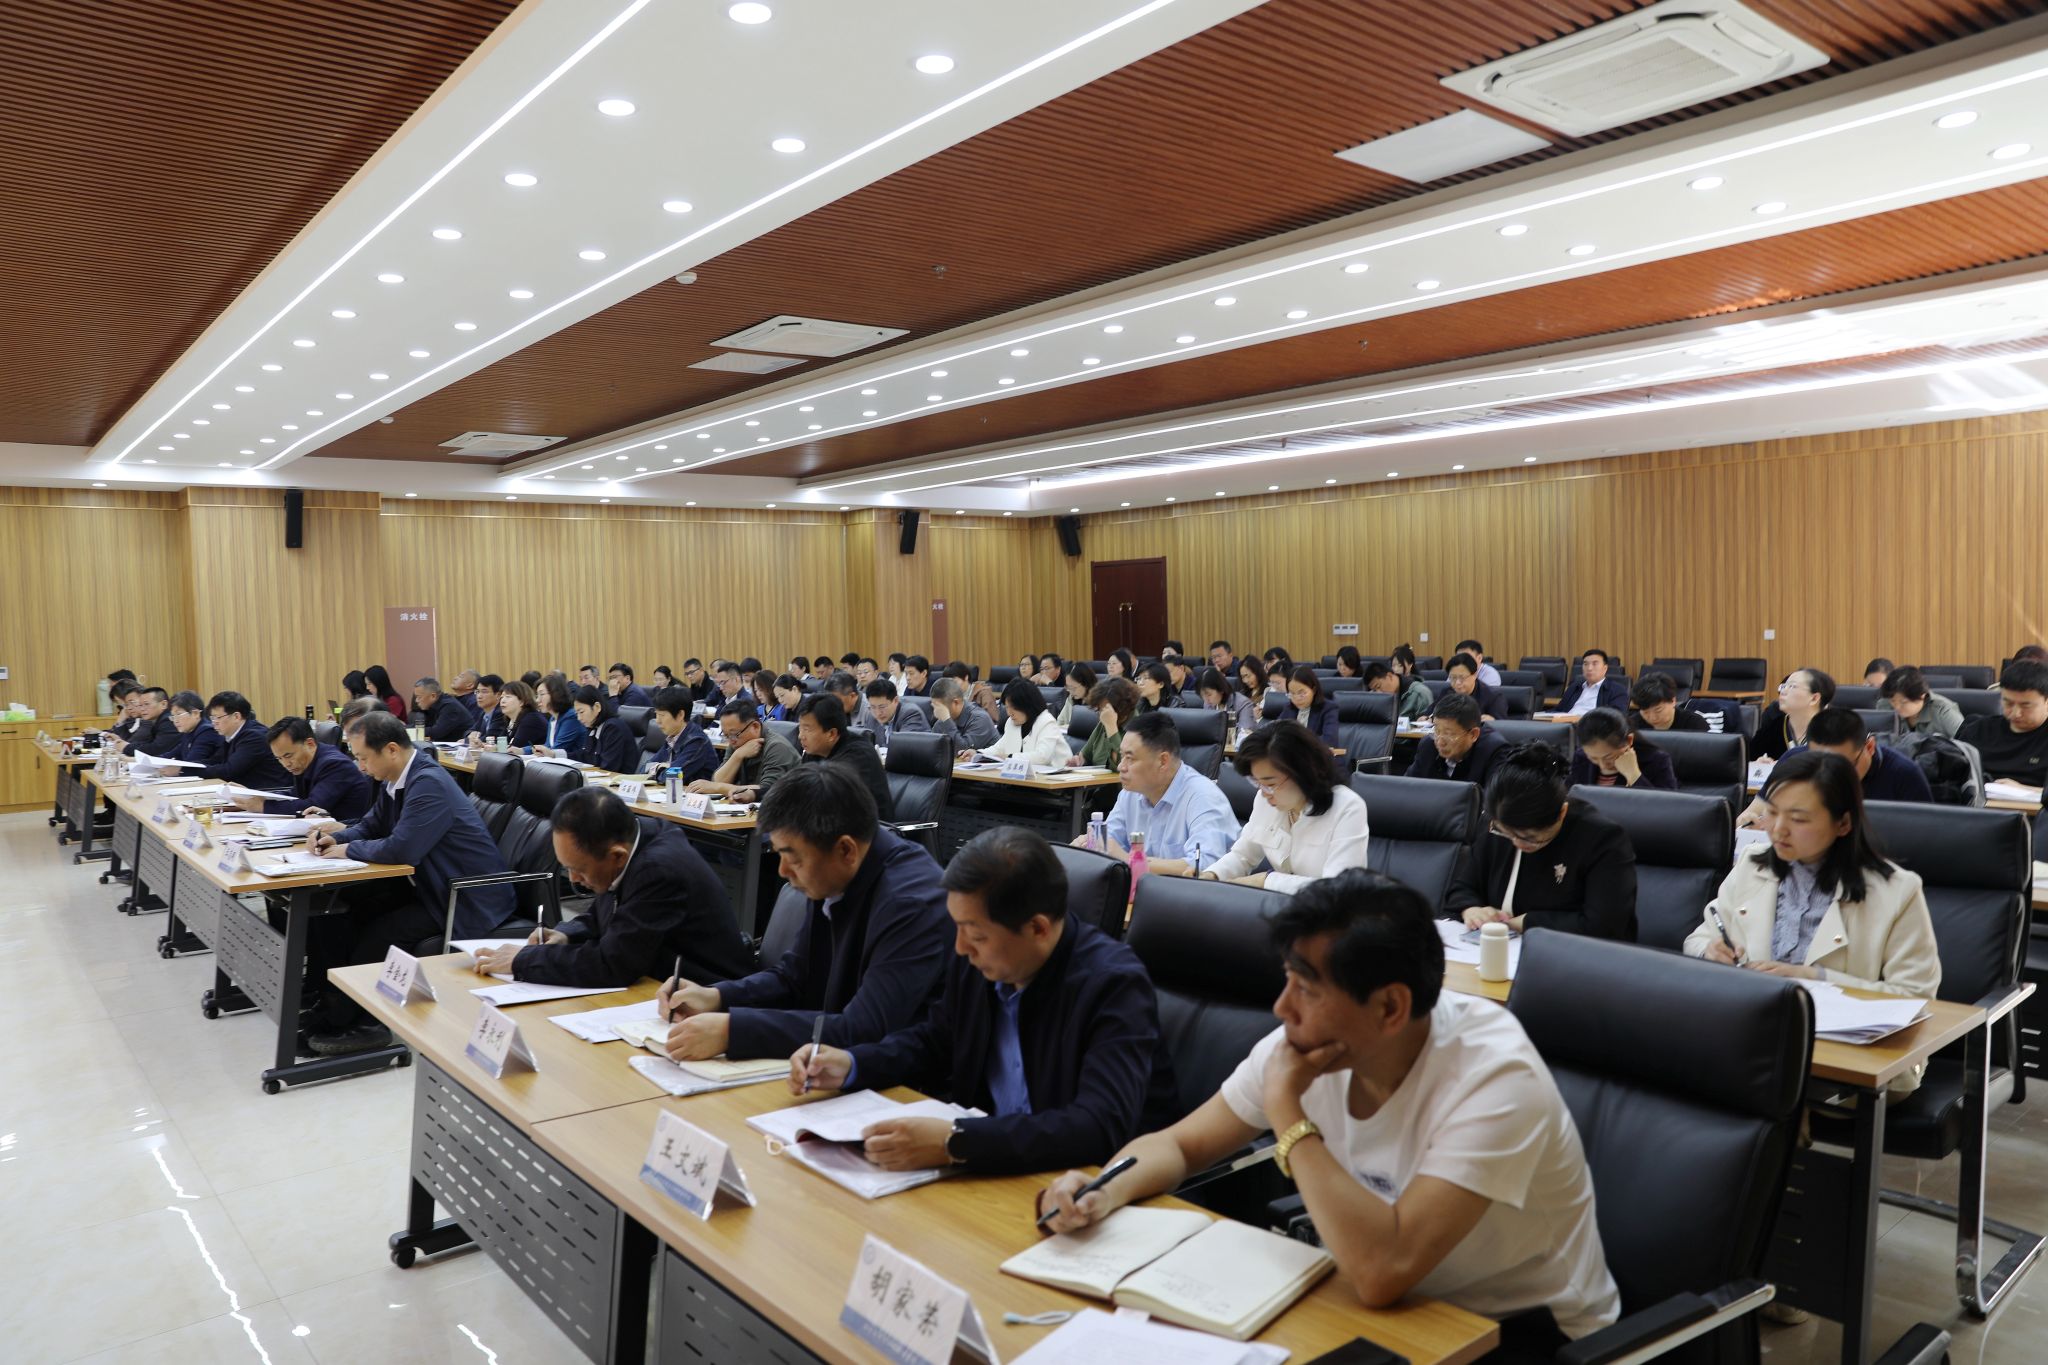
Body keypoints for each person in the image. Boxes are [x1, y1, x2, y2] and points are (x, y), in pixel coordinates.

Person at [1036, 870, 1620, 1352]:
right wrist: (1103, 1189)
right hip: (1373, 1305)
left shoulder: (1494, 1077)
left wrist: (1287, 1113)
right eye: (1287, 980)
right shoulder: (1312, 1044)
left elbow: (1383, 1272)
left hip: (1524, 1335)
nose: (1281, 1007)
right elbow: (1180, 1144)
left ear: (1390, 1008)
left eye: (1307, 989)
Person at [795, 827, 1177, 1174]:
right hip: (994, 1167)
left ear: (1038, 928)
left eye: (975, 935)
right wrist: (853, 1063)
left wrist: (955, 1141)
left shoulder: (1113, 985)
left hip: (1087, 1187)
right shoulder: (980, 960)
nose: (961, 947)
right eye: (958, 928)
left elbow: (1097, 1127)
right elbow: (935, 1041)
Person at [658, 763, 950, 1060]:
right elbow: (794, 976)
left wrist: (734, 1031)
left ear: (845, 850)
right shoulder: (834, 869)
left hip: (905, 1078)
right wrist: (716, 996)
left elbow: (864, 1028)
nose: (783, 871)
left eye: (793, 859)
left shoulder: (911, 904)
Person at [1684, 751, 1940, 1087]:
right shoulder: (1752, 863)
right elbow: (1699, 938)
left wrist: (1813, 978)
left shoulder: (1896, 891)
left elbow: (1914, 997)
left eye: (1798, 819)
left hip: (1850, 1060)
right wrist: (1710, 951)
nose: (1778, 829)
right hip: (1754, 1039)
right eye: (1771, 813)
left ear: (1843, 823)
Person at [303, 711, 517, 1055]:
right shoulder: (396, 779)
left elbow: (403, 848)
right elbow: (372, 824)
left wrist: (347, 849)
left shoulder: (428, 783)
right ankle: (334, 1008)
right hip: (428, 886)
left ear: (391, 750)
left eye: (363, 758)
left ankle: (368, 1026)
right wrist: (337, 838)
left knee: (379, 934)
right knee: (344, 911)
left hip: (464, 896)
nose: (360, 767)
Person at [469, 787, 751, 988]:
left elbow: (613, 965)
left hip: (705, 995)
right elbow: (607, 912)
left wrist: (524, 960)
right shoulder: (633, 840)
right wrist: (567, 934)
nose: (573, 879)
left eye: (579, 869)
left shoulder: (658, 871)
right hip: (657, 983)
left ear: (617, 856)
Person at [1449, 745, 1637, 941]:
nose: (1516, 843)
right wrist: (1471, 909)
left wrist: (1525, 922)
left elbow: (1604, 925)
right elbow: (1462, 887)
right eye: (1507, 833)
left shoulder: (1602, 839)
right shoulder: (1499, 823)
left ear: (1562, 813)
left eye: (1529, 837)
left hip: (1570, 951)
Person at [1203, 724, 1370, 892]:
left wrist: (1267, 881)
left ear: (1303, 772)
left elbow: (1339, 889)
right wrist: (1212, 875)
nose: (1264, 793)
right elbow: (1243, 855)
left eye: (1270, 784)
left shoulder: (1347, 807)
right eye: (1256, 782)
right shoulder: (1265, 800)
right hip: (1279, 905)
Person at [1084, 711, 1240, 876]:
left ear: (1163, 761)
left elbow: (1203, 866)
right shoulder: (1131, 792)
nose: (1121, 767)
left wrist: (1129, 860)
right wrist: (1091, 843)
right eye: (1122, 757)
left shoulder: (1203, 797)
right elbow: (1109, 841)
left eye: (1130, 758)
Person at [235, 716, 374, 822]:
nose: (286, 764)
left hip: (345, 834)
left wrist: (263, 806)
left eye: (288, 756)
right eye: (279, 759)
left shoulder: (335, 765)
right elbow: (297, 794)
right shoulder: (304, 762)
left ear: (310, 744)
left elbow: (312, 805)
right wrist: (255, 796)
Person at [795, 693, 894, 818]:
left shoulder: (859, 755)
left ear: (831, 734)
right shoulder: (814, 751)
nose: (800, 736)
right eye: (800, 728)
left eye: (807, 729)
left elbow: (828, 799)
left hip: (868, 827)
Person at [1806, 707, 1933, 803]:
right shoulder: (1799, 763)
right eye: (1820, 764)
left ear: (1869, 747)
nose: (1832, 776)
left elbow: (1923, 828)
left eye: (1843, 766)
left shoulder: (1905, 775)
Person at [1958, 659, 2048, 789]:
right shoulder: (1978, 730)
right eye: (2008, 703)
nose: (2016, 713)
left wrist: (2023, 789)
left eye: (2026, 705)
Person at [701, 698, 802, 802]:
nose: (730, 741)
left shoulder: (777, 747)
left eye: (734, 734)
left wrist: (719, 788)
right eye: (726, 735)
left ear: (755, 726)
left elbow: (767, 790)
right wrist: (737, 756)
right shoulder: (736, 742)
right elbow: (718, 781)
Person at [198, 691, 295, 791]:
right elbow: (215, 760)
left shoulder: (254, 736)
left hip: (271, 792)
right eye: (212, 718)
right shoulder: (232, 735)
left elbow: (228, 771)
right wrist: (189, 766)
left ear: (236, 717)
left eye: (217, 718)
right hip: (248, 792)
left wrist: (193, 771)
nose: (214, 723)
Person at [1404, 694, 1505, 786]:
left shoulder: (1493, 752)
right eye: (1437, 731)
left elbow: (1494, 798)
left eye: (1449, 734)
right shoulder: (1428, 745)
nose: (1440, 742)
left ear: (1473, 734)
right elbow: (1407, 787)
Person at [1568, 708, 1677, 791]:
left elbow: (1668, 808)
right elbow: (1569, 796)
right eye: (1594, 758)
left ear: (1629, 740)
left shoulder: (1657, 761)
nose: (1602, 765)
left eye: (1608, 757)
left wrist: (1634, 775)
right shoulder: (1581, 757)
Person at [985, 677, 1071, 767]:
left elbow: (1042, 756)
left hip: (1060, 773)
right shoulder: (1011, 722)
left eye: (1014, 707)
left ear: (1028, 705)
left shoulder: (1047, 722)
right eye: (1007, 707)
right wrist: (979, 754)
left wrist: (1009, 757)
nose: (1009, 713)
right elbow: (999, 748)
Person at [1752, 668, 1835, 760]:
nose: (1783, 692)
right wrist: (1759, 762)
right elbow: (1749, 758)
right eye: (1783, 686)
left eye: (1792, 686)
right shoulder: (1774, 726)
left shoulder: (1834, 731)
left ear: (1814, 698)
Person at [643, 686, 718, 782]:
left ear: (680, 715)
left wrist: (659, 768)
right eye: (656, 714)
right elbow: (644, 769)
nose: (657, 721)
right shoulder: (673, 737)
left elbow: (672, 776)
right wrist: (661, 767)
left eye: (661, 715)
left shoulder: (696, 740)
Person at [1879, 666, 1963, 739]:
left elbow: (1967, 744)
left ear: (1922, 695)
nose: (1896, 707)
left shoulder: (1943, 711)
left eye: (1903, 702)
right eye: (1892, 701)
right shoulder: (1884, 705)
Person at [573, 684, 640, 774]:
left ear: (597, 707)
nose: (579, 718)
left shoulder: (613, 728)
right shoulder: (593, 727)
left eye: (581, 712)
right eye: (576, 713)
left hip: (620, 780)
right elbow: (585, 755)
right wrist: (557, 755)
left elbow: (609, 768)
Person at [1075, 677, 1135, 769]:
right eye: (1099, 709)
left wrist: (1111, 727)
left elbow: (1123, 766)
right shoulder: (1103, 722)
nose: (1101, 714)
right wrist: (1077, 760)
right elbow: (1086, 755)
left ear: (1121, 706)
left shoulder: (1136, 727)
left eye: (1104, 709)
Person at [931, 676, 998, 753]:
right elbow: (932, 746)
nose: (936, 712)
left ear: (956, 702)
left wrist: (946, 720)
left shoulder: (980, 718)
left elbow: (962, 751)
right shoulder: (943, 720)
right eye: (935, 706)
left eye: (940, 707)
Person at [1628, 673, 1707, 732]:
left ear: (1673, 701)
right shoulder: (1632, 725)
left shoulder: (1695, 724)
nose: (1653, 718)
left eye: (1658, 710)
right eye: (1645, 712)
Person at [165, 690, 226, 767]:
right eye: (173, 716)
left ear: (195, 714)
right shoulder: (188, 732)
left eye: (178, 714)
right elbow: (172, 754)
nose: (175, 720)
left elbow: (191, 764)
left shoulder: (207, 732)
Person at [1557, 649, 1625, 717]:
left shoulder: (1617, 690)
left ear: (1605, 668)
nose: (1589, 668)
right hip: (1563, 721)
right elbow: (1558, 710)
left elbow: (1615, 717)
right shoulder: (1574, 688)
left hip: (1591, 722)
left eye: (1595, 664)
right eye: (1585, 664)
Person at [1285, 666, 1341, 748]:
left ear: (1313, 690)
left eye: (1301, 693)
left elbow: (1330, 740)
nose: (1297, 698)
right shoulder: (1289, 709)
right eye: (1292, 694)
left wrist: (1296, 743)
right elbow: (1276, 734)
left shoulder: (1328, 709)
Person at [536, 671, 586, 759]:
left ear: (556, 694)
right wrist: (522, 750)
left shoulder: (571, 717)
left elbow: (557, 749)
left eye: (542, 694)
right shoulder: (553, 718)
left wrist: (543, 751)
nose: (537, 700)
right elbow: (548, 746)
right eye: (537, 695)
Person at [1442, 653, 1503, 723]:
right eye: (1453, 678)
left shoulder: (1493, 697)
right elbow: (1433, 715)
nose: (1457, 683)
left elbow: (1504, 725)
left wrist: (1493, 721)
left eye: (1462, 677)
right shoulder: (1447, 692)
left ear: (1475, 675)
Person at [121, 686, 182, 756]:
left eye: (146, 704)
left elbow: (156, 749)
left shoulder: (168, 720)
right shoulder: (158, 720)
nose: (142, 709)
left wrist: (126, 748)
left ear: (163, 704)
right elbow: (148, 742)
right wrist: (128, 746)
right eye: (140, 705)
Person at [1365, 661, 1432, 722]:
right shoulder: (1375, 697)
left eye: (1378, 686)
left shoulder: (1419, 693)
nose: (1378, 693)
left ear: (1389, 676)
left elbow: (1425, 725)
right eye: (1374, 690)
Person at [1197, 666, 1255, 734]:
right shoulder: (1208, 704)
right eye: (1202, 696)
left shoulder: (1243, 704)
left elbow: (1245, 733)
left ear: (1221, 689)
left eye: (1209, 695)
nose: (1206, 700)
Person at [412, 677, 471, 742]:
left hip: (462, 745)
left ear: (433, 696)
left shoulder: (449, 706)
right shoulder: (432, 705)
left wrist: (412, 731)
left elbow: (437, 732)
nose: (416, 700)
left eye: (419, 697)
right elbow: (425, 726)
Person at [495, 678, 548, 750]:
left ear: (522, 701)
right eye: (501, 697)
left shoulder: (532, 719)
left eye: (508, 697)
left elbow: (515, 748)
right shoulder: (510, 720)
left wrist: (494, 748)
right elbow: (500, 744)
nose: (502, 701)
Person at [865, 678, 930, 736]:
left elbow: (903, 744)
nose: (878, 713)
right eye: (873, 707)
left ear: (895, 700)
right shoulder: (871, 716)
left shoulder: (910, 714)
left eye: (882, 707)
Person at [1058, 661, 1098, 729]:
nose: (1071, 692)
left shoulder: (1100, 701)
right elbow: (1060, 722)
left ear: (1086, 684)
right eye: (1068, 687)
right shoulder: (1071, 699)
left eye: (1073, 688)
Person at [469, 674, 507, 740]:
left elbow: (491, 737)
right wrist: (471, 734)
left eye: (484, 692)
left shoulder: (501, 712)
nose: (479, 696)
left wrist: (468, 740)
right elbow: (470, 730)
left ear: (498, 695)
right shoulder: (483, 712)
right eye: (477, 692)